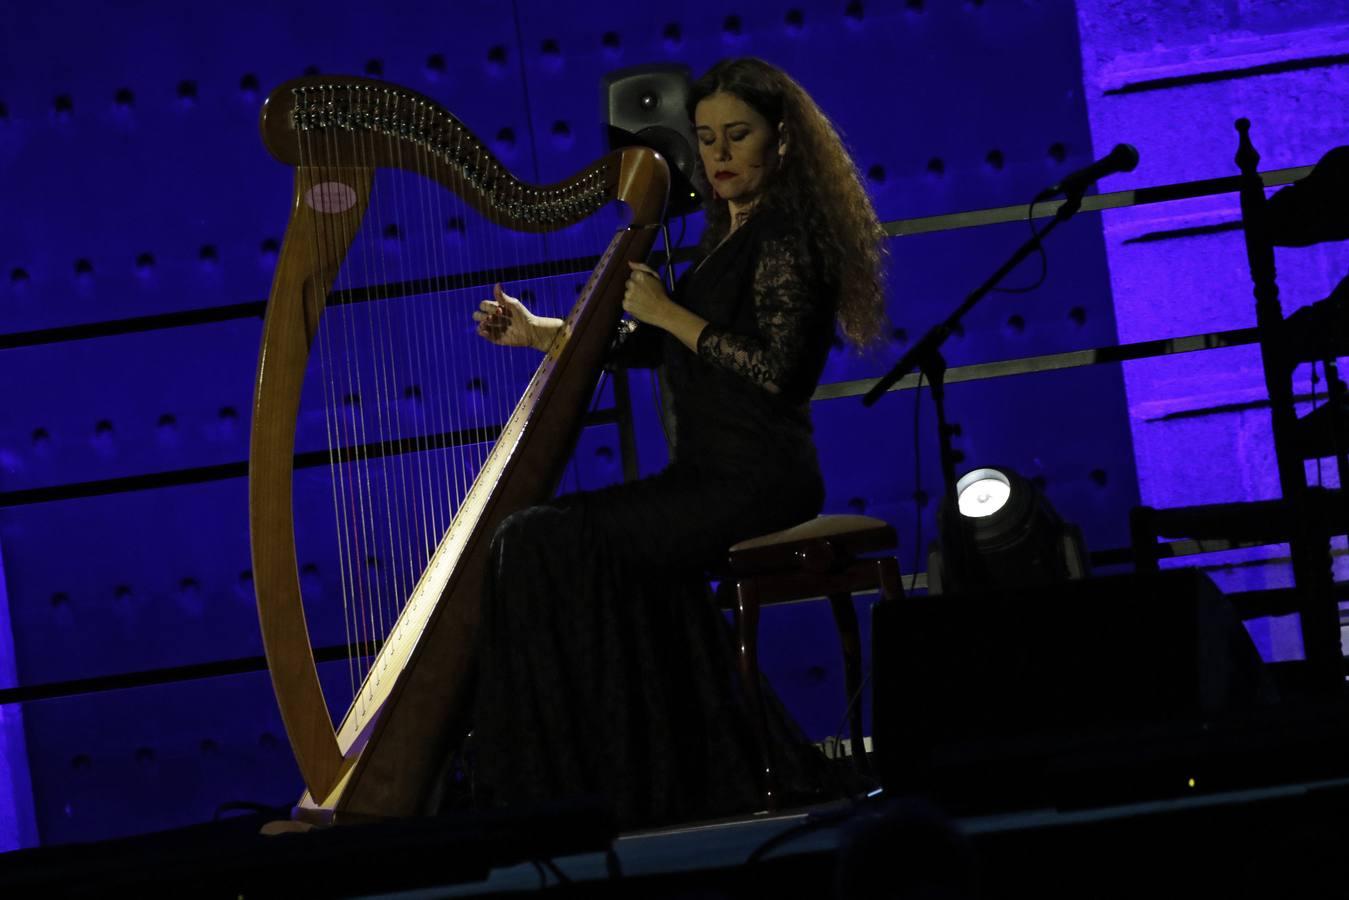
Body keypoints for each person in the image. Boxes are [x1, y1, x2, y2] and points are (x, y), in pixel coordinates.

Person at [466, 57, 889, 828]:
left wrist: (668, 315)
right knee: (543, 539)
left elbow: (774, 374)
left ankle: (582, 787)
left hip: (759, 478)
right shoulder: (724, 234)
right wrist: (543, 335)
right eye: (706, 139)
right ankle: (654, 777)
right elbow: (663, 345)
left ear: (782, 143)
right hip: (705, 474)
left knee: (541, 541)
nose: (719, 156)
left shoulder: (788, 238)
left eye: (738, 136)